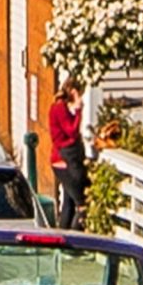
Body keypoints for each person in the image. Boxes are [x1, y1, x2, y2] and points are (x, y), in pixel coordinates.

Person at [47, 79, 87, 227]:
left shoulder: (58, 107)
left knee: (68, 203)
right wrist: (78, 111)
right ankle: (75, 234)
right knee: (80, 204)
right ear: (73, 92)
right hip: (63, 159)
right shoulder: (59, 108)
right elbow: (72, 131)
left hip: (62, 158)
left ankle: (64, 232)